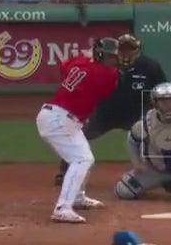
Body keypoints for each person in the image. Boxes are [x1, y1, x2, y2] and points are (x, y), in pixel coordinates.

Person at [52, 34, 164, 186]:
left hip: (136, 113)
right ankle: (66, 172)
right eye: (122, 49)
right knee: (80, 135)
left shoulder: (150, 67)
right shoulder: (106, 64)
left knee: (153, 138)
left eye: (130, 49)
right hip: (105, 112)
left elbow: (161, 90)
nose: (126, 53)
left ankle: (159, 173)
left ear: (138, 50)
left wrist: (154, 113)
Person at [37, 37, 122, 223]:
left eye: (114, 57)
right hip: (59, 119)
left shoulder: (80, 62)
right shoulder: (107, 74)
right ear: (100, 55)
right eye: (109, 57)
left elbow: (64, 67)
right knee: (82, 158)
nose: (113, 60)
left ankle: (77, 197)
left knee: (84, 157)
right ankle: (62, 208)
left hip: (59, 116)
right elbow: (107, 90)